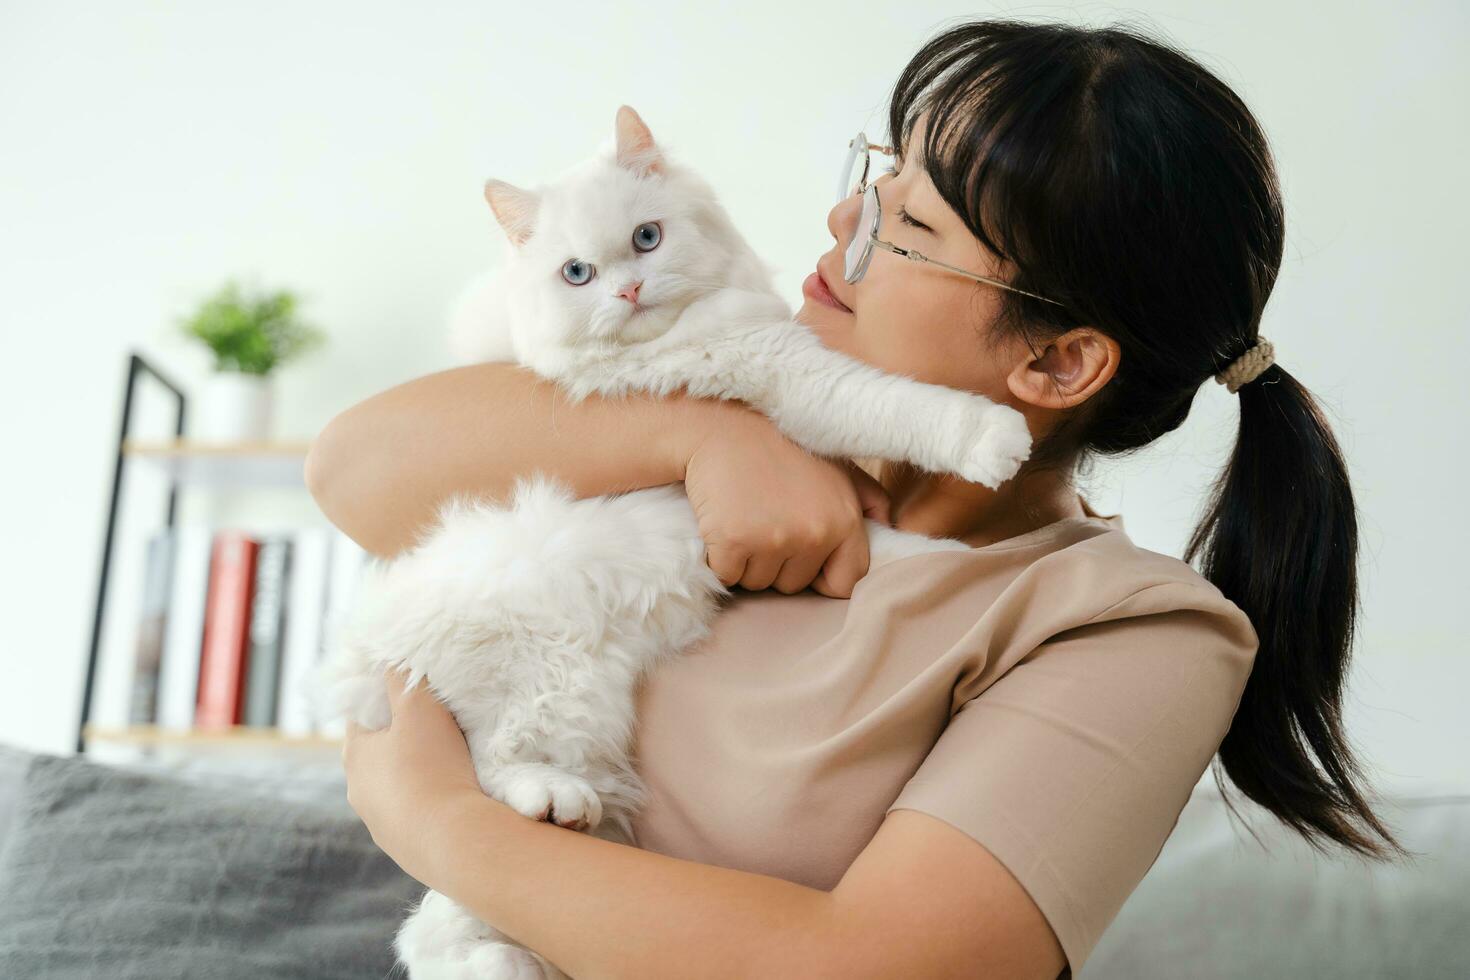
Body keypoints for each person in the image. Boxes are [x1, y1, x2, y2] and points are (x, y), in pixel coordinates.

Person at [306, 19, 1408, 980]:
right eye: (875, 180)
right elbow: (351, 470)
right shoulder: (725, 397)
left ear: (1060, 365)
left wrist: (437, 818)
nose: (842, 225)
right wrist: (699, 435)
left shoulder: (1131, 632)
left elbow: (874, 963)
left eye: (909, 229)